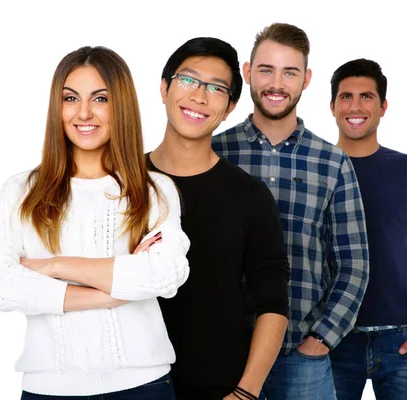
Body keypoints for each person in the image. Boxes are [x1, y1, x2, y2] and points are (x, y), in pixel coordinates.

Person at [0, 46, 190, 399]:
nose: (84, 112)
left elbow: (166, 274)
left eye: (101, 98)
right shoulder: (20, 191)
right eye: (71, 98)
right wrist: (112, 293)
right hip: (48, 388)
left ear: (120, 105)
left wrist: (53, 265)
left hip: (140, 386)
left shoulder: (154, 190)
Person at [212, 23, 369, 400]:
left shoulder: (332, 163)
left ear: (306, 79)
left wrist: (320, 340)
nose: (276, 83)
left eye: (290, 72)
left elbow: (354, 264)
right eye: (266, 70)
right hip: (224, 354)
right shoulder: (214, 153)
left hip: (300, 358)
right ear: (248, 73)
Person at [146, 37, 290, 400]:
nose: (199, 96)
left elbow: (273, 304)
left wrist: (245, 392)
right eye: (188, 80)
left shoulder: (251, 197)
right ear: (164, 88)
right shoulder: (121, 180)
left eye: (216, 88)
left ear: (229, 108)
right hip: (130, 385)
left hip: (219, 388)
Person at [328, 58, 407, 400]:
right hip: (333, 338)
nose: (355, 106)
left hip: (403, 339)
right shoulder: (317, 169)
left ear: (383, 106)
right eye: (346, 96)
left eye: (366, 96)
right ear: (332, 106)